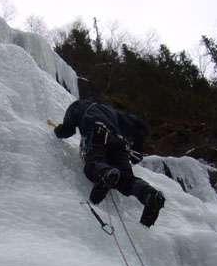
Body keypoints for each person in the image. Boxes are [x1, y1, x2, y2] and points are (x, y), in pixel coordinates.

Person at [53, 97, 165, 227]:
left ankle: (106, 173)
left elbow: (67, 130)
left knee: (93, 166)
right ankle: (149, 194)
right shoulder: (112, 111)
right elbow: (141, 127)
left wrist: (57, 131)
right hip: (118, 142)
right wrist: (137, 149)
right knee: (126, 180)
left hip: (96, 135)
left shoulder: (78, 106)